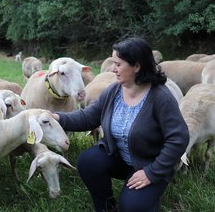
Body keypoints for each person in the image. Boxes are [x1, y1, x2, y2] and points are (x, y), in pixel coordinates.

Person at [52, 37, 189, 212]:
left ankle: (147, 199)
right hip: (119, 157)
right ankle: (106, 207)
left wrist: (152, 172)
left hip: (149, 163)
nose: (112, 69)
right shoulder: (114, 90)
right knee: (88, 161)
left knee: (132, 207)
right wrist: (57, 118)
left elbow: (179, 138)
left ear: (137, 66)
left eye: (118, 64)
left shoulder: (160, 97)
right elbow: (88, 117)